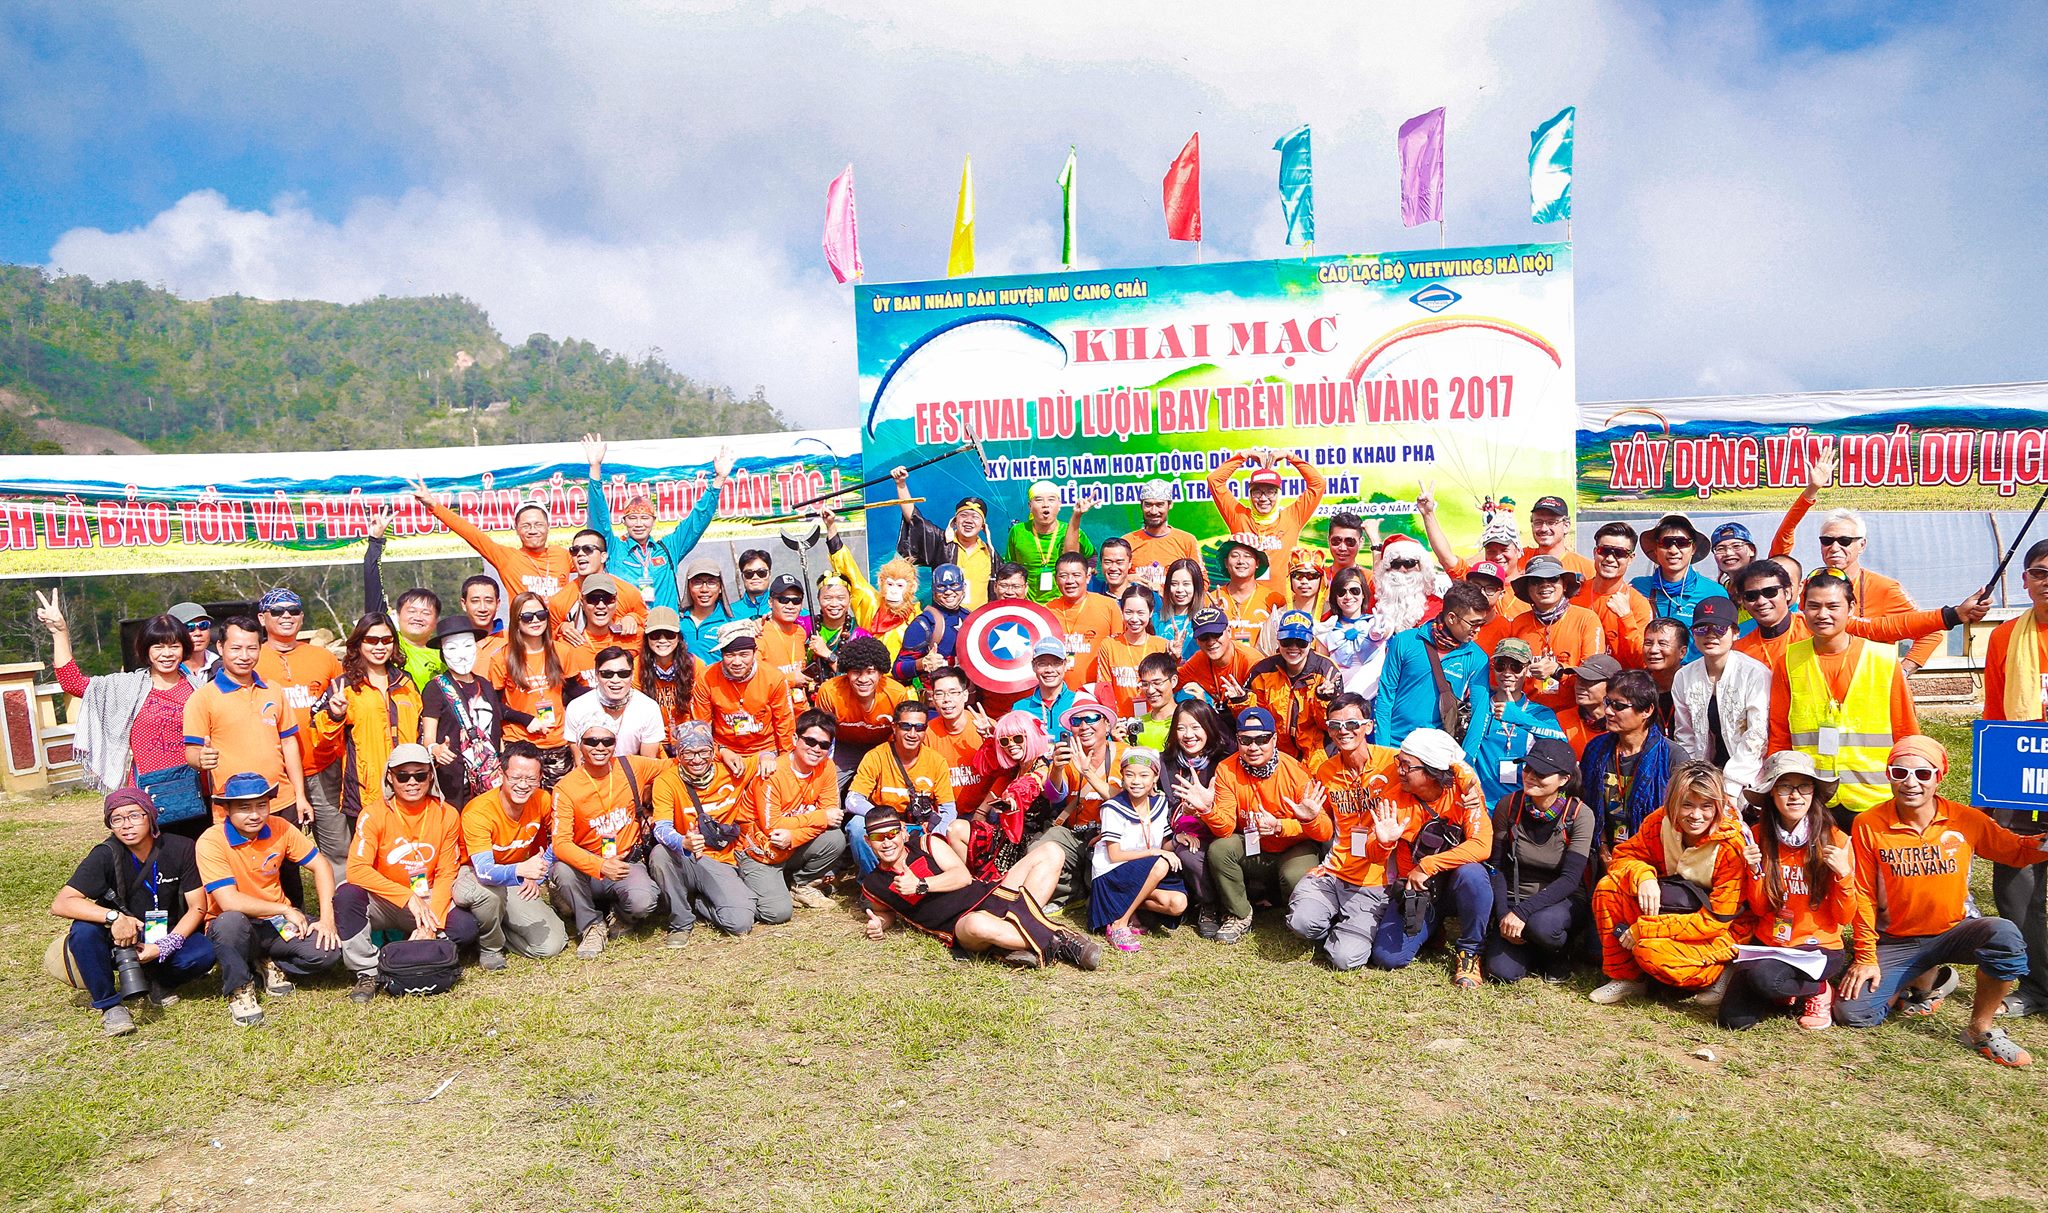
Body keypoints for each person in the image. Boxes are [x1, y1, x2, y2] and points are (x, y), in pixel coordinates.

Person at [1837, 736, 2048, 1065]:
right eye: (1900, 773)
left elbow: (2016, 851)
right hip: (1898, 939)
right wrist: (1865, 956)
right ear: (1889, 775)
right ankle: (1929, 979)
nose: (1911, 783)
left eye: (1923, 774)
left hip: (1955, 930)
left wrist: (2043, 843)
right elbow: (1863, 893)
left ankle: (1980, 1029)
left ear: (1939, 776)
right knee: (1854, 1013)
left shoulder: (1966, 819)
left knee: (2004, 935)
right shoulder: (1868, 825)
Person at [1287, 694, 1444, 972]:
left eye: (1352, 723)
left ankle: (1348, 929)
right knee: (1301, 923)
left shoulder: (1393, 764)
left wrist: (1469, 786)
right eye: (1334, 725)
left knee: (1345, 959)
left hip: (1374, 881)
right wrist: (1311, 819)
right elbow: (1325, 830)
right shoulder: (1326, 770)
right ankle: (1336, 921)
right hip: (1334, 872)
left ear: (1368, 726)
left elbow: (1442, 766)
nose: (1343, 731)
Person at [51, 788, 216, 1036]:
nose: (126, 825)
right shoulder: (105, 854)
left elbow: (197, 907)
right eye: (116, 819)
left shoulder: (180, 847)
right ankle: (110, 1005)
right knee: (83, 932)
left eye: (134, 815)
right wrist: (114, 917)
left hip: (165, 932)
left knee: (204, 952)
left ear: (150, 816)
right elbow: (62, 903)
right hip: (119, 938)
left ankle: (158, 981)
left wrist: (165, 945)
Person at [859, 803, 1102, 970]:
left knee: (1051, 851)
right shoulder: (873, 884)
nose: (887, 842)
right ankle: (1061, 942)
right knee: (978, 924)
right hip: (961, 925)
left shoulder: (927, 843)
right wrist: (879, 924)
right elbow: (885, 912)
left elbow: (962, 877)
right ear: (868, 841)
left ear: (903, 832)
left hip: (992, 894)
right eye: (878, 837)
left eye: (892, 833)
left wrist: (921, 885)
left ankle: (1009, 945)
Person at [40, 597, 206, 837]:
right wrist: (60, 632)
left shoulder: (200, 690)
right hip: (148, 794)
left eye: (174, 646)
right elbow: (72, 682)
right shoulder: (127, 687)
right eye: (158, 647)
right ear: (145, 650)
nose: (167, 654)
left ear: (184, 649)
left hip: (197, 794)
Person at [1770, 448, 1943, 673]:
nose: (1834, 547)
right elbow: (1779, 552)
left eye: (1844, 541)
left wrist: (1903, 671)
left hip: (1866, 681)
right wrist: (1811, 491)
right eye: (1827, 540)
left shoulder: (1885, 588)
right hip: (1816, 677)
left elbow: (1932, 632)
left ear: (1862, 545)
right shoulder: (1810, 584)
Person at [1589, 760, 1746, 1005]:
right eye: (1687, 805)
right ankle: (1627, 977)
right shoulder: (1659, 822)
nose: (1696, 816)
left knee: (1651, 953)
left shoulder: (1731, 845)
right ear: (1673, 802)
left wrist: (1645, 929)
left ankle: (1722, 970)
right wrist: (1643, 875)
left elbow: (1717, 920)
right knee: (1608, 888)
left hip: (1717, 929)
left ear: (1719, 805)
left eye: (1706, 806)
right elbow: (1624, 856)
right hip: (1673, 908)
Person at [1767, 569, 1918, 824]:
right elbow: (1779, 733)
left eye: (1832, 606)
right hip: (1813, 798)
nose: (1822, 614)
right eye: (1814, 606)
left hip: (1875, 797)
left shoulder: (1882, 659)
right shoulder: (1789, 661)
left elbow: (1906, 731)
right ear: (1802, 609)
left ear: (1851, 608)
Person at [1720, 752, 1856, 1031]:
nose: (1795, 795)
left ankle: (1819, 989)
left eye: (1804, 787)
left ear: (1814, 793)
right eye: (1785, 787)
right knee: (1732, 1021)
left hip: (1817, 948)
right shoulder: (1757, 836)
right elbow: (1760, 909)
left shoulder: (1836, 840)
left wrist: (1844, 875)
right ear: (1771, 794)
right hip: (1770, 943)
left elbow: (1844, 917)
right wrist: (1754, 871)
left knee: (1766, 980)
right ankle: (1784, 993)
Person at [196, 773, 343, 1026]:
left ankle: (268, 961)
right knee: (230, 921)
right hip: (236, 925)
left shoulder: (280, 827)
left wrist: (327, 920)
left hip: (275, 924)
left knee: (328, 952)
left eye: (262, 805)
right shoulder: (211, 840)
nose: (255, 815)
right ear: (226, 809)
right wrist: (284, 909)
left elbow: (322, 866)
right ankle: (240, 988)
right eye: (244, 808)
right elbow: (228, 901)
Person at [335, 744, 479, 1003]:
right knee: (346, 896)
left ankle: (417, 946)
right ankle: (367, 972)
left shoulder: (447, 814)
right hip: (385, 899)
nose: (412, 782)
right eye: (403, 776)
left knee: (465, 927)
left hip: (427, 897)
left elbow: (446, 872)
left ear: (431, 776)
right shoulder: (372, 814)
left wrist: (432, 924)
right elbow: (356, 869)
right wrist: (406, 896)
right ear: (390, 777)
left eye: (420, 775)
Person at [1186, 707, 1328, 944]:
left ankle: (1292, 911)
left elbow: (1325, 832)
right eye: (1246, 740)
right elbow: (1225, 829)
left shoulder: (1295, 772)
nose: (1253, 747)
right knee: (1221, 849)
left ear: (1274, 739)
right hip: (1254, 846)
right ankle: (1240, 914)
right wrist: (1208, 810)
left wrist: (1282, 826)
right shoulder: (1227, 769)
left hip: (1293, 847)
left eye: (1262, 739)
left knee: (1294, 875)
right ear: (1238, 740)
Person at [1366, 727, 1494, 988]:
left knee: (1473, 874)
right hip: (1419, 892)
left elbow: (1482, 845)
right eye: (1399, 762)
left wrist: (1428, 865)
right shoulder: (1393, 799)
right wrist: (1383, 841)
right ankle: (1432, 927)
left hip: (1456, 884)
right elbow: (1373, 855)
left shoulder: (1465, 794)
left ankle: (1470, 951)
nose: (1399, 770)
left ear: (1433, 771)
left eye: (1407, 765)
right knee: (1388, 957)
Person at [1981, 537, 2048, 1017]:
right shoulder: (2005, 637)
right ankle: (2037, 985)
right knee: (2016, 885)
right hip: (2021, 774)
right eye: (2039, 572)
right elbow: (1995, 714)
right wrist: (1991, 789)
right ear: (2024, 580)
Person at [185, 614, 312, 831]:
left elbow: (289, 744)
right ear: (220, 647)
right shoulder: (202, 698)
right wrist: (201, 758)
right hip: (233, 806)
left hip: (281, 801)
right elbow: (192, 752)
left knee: (287, 854)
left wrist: (300, 795)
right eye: (236, 648)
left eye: (252, 648)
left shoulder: (273, 690)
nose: (244, 656)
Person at [1485, 738, 1594, 984]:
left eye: (1542, 773)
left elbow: (1571, 879)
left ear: (1564, 779)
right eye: (1528, 768)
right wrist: (1503, 915)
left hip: (1560, 901)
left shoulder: (1580, 815)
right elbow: (1496, 867)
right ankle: (1529, 947)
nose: (1531, 776)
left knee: (1542, 925)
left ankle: (1558, 953)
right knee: (1502, 973)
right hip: (1515, 897)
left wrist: (1523, 912)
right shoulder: (1508, 806)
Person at [581, 433, 730, 613]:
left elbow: (696, 522)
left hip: (664, 628)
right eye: (632, 518)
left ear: (653, 521)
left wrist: (719, 480)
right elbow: (599, 517)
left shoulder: (668, 549)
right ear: (624, 521)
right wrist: (595, 467)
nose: (639, 524)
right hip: (627, 626)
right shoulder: (614, 549)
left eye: (645, 518)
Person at [550, 727, 665, 958]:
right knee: (563, 871)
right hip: (587, 866)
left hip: (626, 862)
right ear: (580, 745)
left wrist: (722, 752)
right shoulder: (566, 787)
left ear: (615, 743)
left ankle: (619, 914)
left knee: (643, 902)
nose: (600, 747)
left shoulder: (631, 766)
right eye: (592, 741)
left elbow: (678, 764)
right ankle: (591, 926)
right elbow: (560, 843)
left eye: (607, 741)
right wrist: (600, 865)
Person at [251, 588, 347, 854]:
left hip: (323, 767)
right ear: (262, 618)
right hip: (274, 773)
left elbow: (343, 702)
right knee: (272, 850)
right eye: (277, 611)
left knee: (339, 847)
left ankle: (336, 884)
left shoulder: (324, 657)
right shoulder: (252, 659)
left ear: (302, 617)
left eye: (293, 610)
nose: (286, 616)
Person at [648, 722, 764, 939]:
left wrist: (766, 757)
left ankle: (700, 904)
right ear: (678, 755)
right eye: (688, 753)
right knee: (660, 853)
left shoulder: (732, 769)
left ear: (713, 751)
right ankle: (681, 922)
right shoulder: (666, 781)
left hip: (722, 861)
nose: (697, 759)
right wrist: (682, 842)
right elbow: (661, 828)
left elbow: (766, 756)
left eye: (703, 751)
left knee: (739, 923)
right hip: (688, 858)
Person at [457, 742, 568, 966]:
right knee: (489, 895)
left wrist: (538, 872)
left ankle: (495, 930)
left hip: (513, 876)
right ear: (502, 774)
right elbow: (485, 871)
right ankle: (489, 946)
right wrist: (521, 870)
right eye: (516, 778)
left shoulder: (542, 800)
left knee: (551, 945)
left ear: (540, 778)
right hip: (473, 875)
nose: (523, 785)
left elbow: (561, 839)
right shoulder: (478, 812)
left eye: (531, 779)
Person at [740, 710, 851, 919]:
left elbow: (832, 818)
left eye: (824, 745)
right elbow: (772, 827)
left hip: (789, 844)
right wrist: (820, 817)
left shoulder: (827, 767)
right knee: (777, 913)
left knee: (835, 838)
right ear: (794, 739)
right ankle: (748, 886)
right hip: (759, 850)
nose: (816, 749)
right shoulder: (772, 772)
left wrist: (794, 837)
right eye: (810, 741)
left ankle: (800, 885)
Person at [318, 613, 424, 831]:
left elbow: (420, 730)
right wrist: (335, 715)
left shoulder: (406, 682)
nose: (380, 647)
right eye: (372, 640)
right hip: (365, 793)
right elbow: (321, 740)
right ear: (359, 643)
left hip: (409, 786)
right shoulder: (344, 686)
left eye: (386, 640)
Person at [1670, 596, 1770, 802]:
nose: (1710, 635)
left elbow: (1757, 736)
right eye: (1701, 629)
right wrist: (1696, 781)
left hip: (1750, 778)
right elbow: (1685, 734)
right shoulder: (1683, 677)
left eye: (1719, 628)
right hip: (1703, 779)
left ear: (1735, 632)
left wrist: (1730, 788)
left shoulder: (1754, 673)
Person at [1089, 749, 1188, 951]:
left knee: (1178, 903)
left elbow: (1163, 845)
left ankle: (1117, 905)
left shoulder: (1159, 803)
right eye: (1130, 775)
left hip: (1143, 872)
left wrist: (1177, 840)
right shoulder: (1112, 807)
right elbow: (1114, 855)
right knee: (1161, 864)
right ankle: (1119, 923)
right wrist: (1154, 853)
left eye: (1144, 775)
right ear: (1122, 776)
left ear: (1155, 778)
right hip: (1112, 873)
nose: (1136, 781)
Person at [846, 701, 960, 875]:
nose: (912, 734)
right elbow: (853, 800)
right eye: (906, 726)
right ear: (894, 727)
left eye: (919, 727)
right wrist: (888, 821)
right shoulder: (876, 757)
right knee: (856, 826)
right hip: (886, 828)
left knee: (954, 828)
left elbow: (949, 809)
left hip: (920, 828)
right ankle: (873, 882)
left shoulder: (936, 761)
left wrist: (934, 837)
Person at [489, 590, 589, 787]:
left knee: (557, 799)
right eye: (527, 617)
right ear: (516, 620)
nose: (535, 620)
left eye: (541, 614)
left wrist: (608, 693)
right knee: (524, 798)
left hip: (557, 743)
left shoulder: (562, 651)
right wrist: (526, 720)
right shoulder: (502, 657)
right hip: (520, 742)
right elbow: (494, 705)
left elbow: (573, 691)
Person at [1372, 582, 1491, 748]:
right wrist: (1383, 748)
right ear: (1451, 618)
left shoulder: (1477, 658)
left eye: (1481, 624)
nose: (1478, 630)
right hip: (1396, 744)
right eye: (1474, 623)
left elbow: (1480, 713)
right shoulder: (1405, 641)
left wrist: (1467, 758)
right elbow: (1385, 698)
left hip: (1438, 751)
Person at [411, 479, 573, 600]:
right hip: (524, 632)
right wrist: (433, 505)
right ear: (516, 528)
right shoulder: (508, 558)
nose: (532, 531)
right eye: (526, 526)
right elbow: (471, 534)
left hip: (562, 633)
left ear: (548, 526)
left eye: (538, 524)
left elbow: (589, 560)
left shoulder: (562, 555)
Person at [1580, 670, 1685, 855]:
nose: (1608, 711)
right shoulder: (1596, 749)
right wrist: (1603, 848)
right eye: (1607, 702)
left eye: (1619, 706)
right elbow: (1587, 804)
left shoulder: (1672, 757)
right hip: (1603, 853)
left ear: (1647, 710)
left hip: (1653, 857)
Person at [1462, 639, 1566, 806]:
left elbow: (1561, 744)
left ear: (1527, 670)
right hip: (1480, 804)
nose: (1507, 673)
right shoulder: (1480, 707)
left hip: (1519, 807)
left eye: (1516, 667)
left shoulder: (1540, 713)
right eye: (1500, 666)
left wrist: (1518, 717)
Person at [1207, 448, 1326, 595]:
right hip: (1248, 600)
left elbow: (1318, 484)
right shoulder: (1239, 517)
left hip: (1284, 600)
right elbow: (1214, 480)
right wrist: (1244, 455)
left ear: (1278, 494)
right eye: (1257, 492)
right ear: (1250, 494)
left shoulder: (1293, 517)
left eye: (1270, 492)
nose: (1263, 498)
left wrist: (1290, 456)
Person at [420, 615, 508, 807]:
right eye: (452, 648)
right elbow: (428, 737)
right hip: (454, 783)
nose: (461, 654)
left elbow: (496, 730)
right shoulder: (435, 688)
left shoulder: (485, 685)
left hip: (489, 779)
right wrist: (435, 749)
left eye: (468, 646)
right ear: (442, 652)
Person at [1161, 699, 1231, 937]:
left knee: (1223, 849)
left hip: (1221, 829)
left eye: (1195, 727)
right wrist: (1182, 816)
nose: (1188, 735)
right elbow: (1158, 806)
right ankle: (1208, 905)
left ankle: (1232, 905)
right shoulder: (1165, 763)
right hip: (1183, 833)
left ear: (1209, 728)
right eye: (1181, 728)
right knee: (1187, 851)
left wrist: (1206, 808)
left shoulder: (1225, 762)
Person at [1232, 609, 1339, 759]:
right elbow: (1254, 722)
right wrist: (1240, 702)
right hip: (1275, 754)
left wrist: (1324, 699)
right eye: (1287, 641)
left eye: (1301, 642)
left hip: (1317, 754)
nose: (1293, 647)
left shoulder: (1326, 671)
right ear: (1278, 641)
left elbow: (1331, 726)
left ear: (1311, 642)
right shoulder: (1262, 671)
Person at [692, 621, 795, 775]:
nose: (737, 662)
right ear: (722, 654)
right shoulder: (706, 677)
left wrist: (784, 763)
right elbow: (701, 727)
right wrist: (720, 752)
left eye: (744, 654)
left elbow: (785, 725)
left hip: (766, 750)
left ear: (754, 652)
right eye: (730, 655)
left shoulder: (774, 678)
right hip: (724, 749)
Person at [811, 635, 909, 792]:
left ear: (881, 673)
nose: (863, 679)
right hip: (844, 747)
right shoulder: (830, 691)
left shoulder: (897, 693)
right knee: (824, 788)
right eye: (856, 672)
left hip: (883, 748)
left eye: (870, 672)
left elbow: (902, 736)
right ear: (846, 673)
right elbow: (820, 733)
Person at [1506, 555, 1602, 714]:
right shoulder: (1518, 623)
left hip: (1574, 713)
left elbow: (1594, 674)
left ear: (1564, 585)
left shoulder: (1587, 619)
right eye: (1536, 580)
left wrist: (1558, 671)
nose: (1545, 584)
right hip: (1528, 712)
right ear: (1528, 589)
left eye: (1553, 578)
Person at [892, 465, 995, 609]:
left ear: (983, 525)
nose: (969, 521)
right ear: (955, 521)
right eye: (964, 515)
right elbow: (914, 519)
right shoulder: (942, 543)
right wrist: (901, 484)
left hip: (978, 621)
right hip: (945, 618)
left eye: (975, 517)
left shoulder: (990, 554)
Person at [1572, 522, 1652, 666]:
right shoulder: (1574, 594)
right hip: (1578, 677)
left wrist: (1625, 617)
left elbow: (1642, 661)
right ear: (1595, 552)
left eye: (1620, 553)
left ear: (1631, 558)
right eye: (1604, 550)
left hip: (1621, 678)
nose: (1610, 558)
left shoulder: (1639, 605)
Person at [567, 645, 667, 760]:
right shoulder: (577, 707)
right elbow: (579, 761)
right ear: (596, 675)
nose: (615, 680)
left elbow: (647, 762)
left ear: (632, 674)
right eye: (607, 674)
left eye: (623, 674)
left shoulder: (649, 708)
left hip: (632, 769)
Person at [1007, 480, 1094, 602]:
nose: (1045, 505)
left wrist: (1084, 573)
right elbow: (1010, 567)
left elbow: (1092, 557)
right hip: (1028, 605)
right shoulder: (1018, 531)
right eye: (1039, 500)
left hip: (1063, 604)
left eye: (1051, 500)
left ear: (1059, 505)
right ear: (1030, 506)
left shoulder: (1072, 531)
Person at [1630, 514, 1720, 632]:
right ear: (1656, 549)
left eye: (1682, 542)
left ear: (1693, 549)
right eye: (1665, 543)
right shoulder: (1637, 588)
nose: (1673, 550)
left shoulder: (1713, 592)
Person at [1046, 551, 1120, 692]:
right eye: (1063, 576)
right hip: (1057, 693)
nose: (1070, 581)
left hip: (1096, 693)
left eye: (1076, 575)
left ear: (1088, 577)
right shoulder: (1047, 611)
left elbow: (1119, 652)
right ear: (1056, 579)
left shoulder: (1109, 606)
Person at [922, 667, 991, 816]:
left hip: (984, 811)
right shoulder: (926, 733)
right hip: (944, 812)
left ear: (965, 695)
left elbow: (1006, 775)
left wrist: (991, 741)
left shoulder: (986, 725)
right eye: (939, 694)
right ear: (933, 698)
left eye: (953, 692)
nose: (947, 699)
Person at [1316, 567, 1392, 700]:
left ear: (1363, 594)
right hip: (1341, 703)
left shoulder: (1377, 622)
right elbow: (1321, 672)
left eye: (1354, 591)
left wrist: (1378, 634)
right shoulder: (1326, 630)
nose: (1348, 597)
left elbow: (1386, 633)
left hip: (1375, 701)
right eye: (1341, 592)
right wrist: (1324, 689)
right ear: (1335, 597)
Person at [893, 563, 971, 687]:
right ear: (933, 590)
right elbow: (897, 670)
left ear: (964, 587)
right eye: (941, 587)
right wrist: (922, 663)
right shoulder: (924, 624)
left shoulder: (970, 618)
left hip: (969, 694)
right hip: (936, 695)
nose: (948, 591)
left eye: (954, 585)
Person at [1099, 585, 1169, 716]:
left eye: (1141, 613)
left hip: (1155, 720)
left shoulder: (1161, 646)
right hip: (1120, 722)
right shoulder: (1109, 645)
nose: (1134, 619)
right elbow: (1104, 688)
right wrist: (1112, 720)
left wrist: (1176, 659)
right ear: (1122, 611)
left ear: (1151, 612)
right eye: (1129, 612)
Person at [551, 569, 647, 662]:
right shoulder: (568, 644)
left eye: (608, 599)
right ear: (581, 601)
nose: (601, 606)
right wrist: (560, 628)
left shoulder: (635, 637)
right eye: (593, 599)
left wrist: (634, 617)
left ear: (616, 601)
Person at [1208, 539, 1283, 650]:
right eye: (1235, 556)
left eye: (1247, 556)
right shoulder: (1211, 600)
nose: (1241, 561)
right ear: (1226, 563)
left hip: (1263, 661)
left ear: (1257, 563)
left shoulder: (1275, 600)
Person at [637, 606, 698, 743]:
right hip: (650, 738)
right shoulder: (637, 666)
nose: (662, 640)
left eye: (669, 634)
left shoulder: (695, 665)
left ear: (679, 637)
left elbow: (699, 712)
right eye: (655, 635)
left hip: (687, 737)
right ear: (647, 638)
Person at [1176, 607, 1259, 706]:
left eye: (1216, 634)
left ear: (1229, 632)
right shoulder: (1198, 660)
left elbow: (1264, 708)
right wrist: (1172, 660)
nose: (1211, 642)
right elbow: (1170, 684)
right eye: (1203, 637)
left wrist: (1240, 701)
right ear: (1197, 640)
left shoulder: (1252, 662)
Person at [753, 574, 812, 709]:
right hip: (773, 712)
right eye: (783, 600)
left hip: (802, 711)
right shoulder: (759, 632)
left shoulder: (801, 632)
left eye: (796, 601)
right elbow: (756, 677)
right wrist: (791, 679)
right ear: (770, 602)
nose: (790, 606)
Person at [1123, 479, 1200, 581]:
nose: (1154, 511)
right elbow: (1115, 579)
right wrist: (1128, 579)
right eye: (1148, 505)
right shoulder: (1127, 542)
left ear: (1170, 505)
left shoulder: (1187, 541)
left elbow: (1201, 580)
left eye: (1160, 505)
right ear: (1141, 505)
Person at [1256, 548, 1328, 654]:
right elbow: (1263, 654)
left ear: (1322, 580)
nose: (1304, 581)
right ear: (1290, 580)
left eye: (1311, 576)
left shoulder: (1331, 613)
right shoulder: (1278, 617)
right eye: (1298, 576)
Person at [1012, 636, 1081, 740]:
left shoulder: (1079, 703)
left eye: (1056, 663)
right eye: (1042, 664)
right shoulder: (1020, 708)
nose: (1049, 670)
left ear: (1065, 665)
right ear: (1033, 666)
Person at [1558, 654, 1620, 757]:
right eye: (1578, 678)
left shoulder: (1625, 724)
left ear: (1612, 687)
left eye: (1590, 681)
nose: (1580, 685)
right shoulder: (1561, 720)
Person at [678, 557, 737, 665]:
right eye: (697, 582)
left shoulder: (732, 621)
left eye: (711, 582)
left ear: (720, 587)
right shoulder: (677, 620)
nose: (704, 589)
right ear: (688, 586)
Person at [1524, 495, 1593, 578]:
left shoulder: (1586, 568)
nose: (1543, 529)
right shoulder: (1519, 560)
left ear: (1566, 526)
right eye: (1538, 522)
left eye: (1551, 522)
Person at [1152, 557, 1208, 660]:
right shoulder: (1155, 619)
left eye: (1186, 584)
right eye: (1174, 584)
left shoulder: (1206, 620)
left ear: (1196, 587)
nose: (1180, 589)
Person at [1639, 618, 1688, 729]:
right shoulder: (1635, 687)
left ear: (1682, 652)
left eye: (1662, 644)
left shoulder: (1693, 685)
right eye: (1648, 643)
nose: (1653, 650)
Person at [456, 575, 509, 669]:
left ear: (497, 604)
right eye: (475, 601)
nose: (482, 608)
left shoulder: (511, 640)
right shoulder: (454, 643)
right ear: (464, 604)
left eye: (488, 601)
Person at [167, 601, 220, 677]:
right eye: (189, 627)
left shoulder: (223, 668)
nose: (198, 633)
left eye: (203, 625)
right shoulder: (160, 671)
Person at [1321, 511, 1368, 588]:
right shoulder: (1319, 577)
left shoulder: (1368, 578)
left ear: (1361, 542)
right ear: (1329, 540)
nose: (1342, 548)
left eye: (1350, 542)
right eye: (1336, 541)